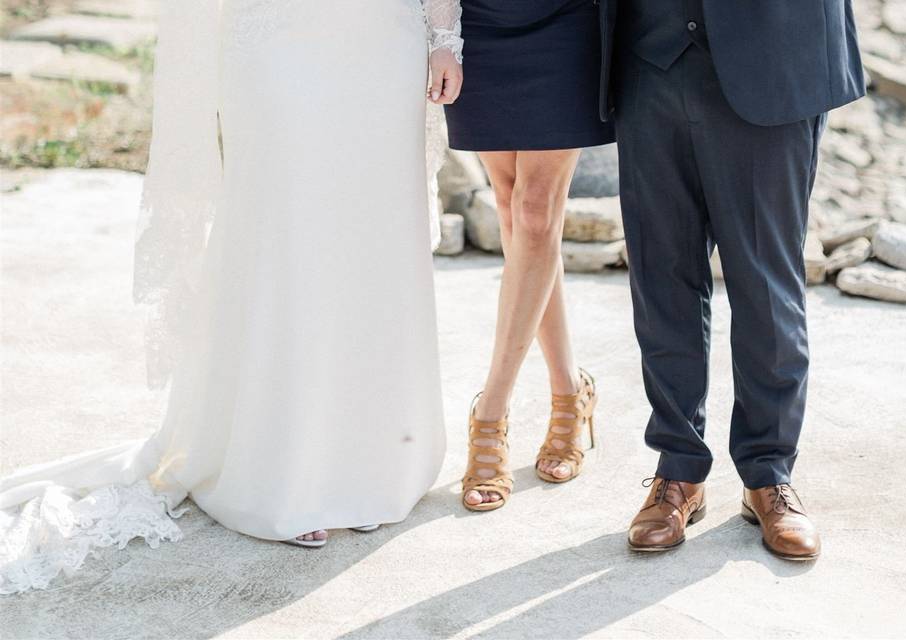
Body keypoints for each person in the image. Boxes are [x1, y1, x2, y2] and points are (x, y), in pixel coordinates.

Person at [0, 0, 463, 594]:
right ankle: (284, 469)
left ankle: (365, 463)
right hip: (273, 32)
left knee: (369, 238)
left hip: (380, 38)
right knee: (284, 235)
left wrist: (444, 34)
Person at [602, 0, 865, 559]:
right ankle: (678, 470)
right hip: (649, 54)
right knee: (659, 275)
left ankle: (768, 473)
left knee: (767, 286)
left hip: (772, 57)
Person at [444, 1, 615, 512]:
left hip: (567, 20)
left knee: (537, 212)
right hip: (479, 23)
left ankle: (490, 411)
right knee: (513, 211)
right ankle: (570, 390)